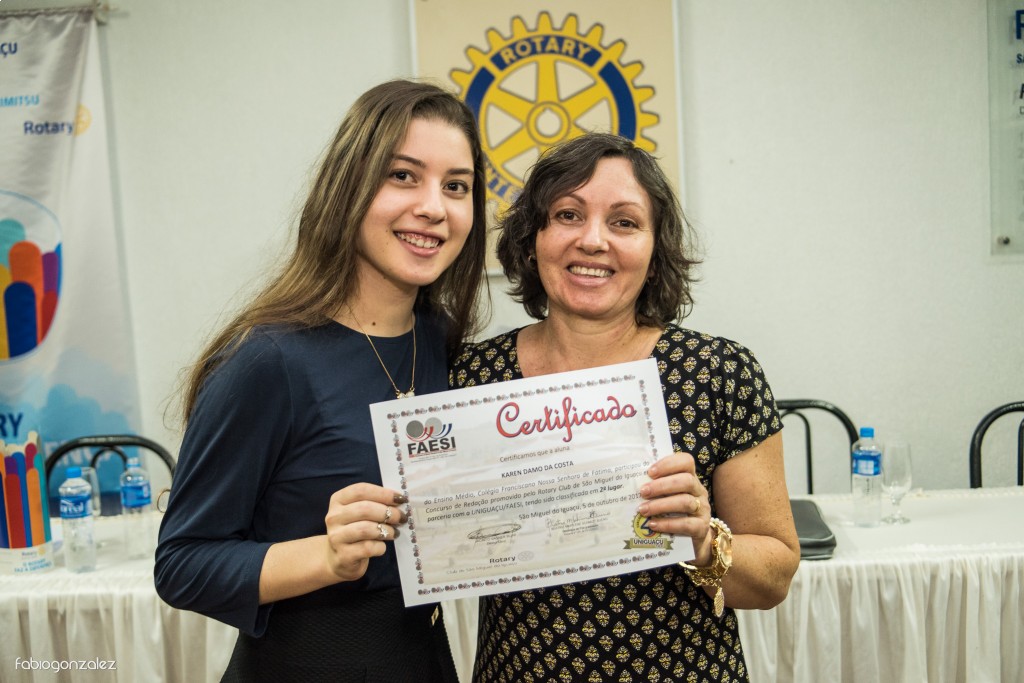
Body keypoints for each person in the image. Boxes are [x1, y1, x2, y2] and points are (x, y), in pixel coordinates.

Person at [155, 79, 487, 682]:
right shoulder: (268, 360)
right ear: (348, 186)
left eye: (456, 186)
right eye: (403, 176)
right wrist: (327, 556)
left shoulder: (439, 340)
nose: (434, 207)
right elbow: (182, 564)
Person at [450, 132, 800, 682]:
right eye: (568, 215)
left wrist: (704, 539)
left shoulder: (719, 374)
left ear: (655, 254)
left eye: (624, 222)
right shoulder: (471, 379)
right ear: (532, 240)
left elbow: (774, 579)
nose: (593, 240)